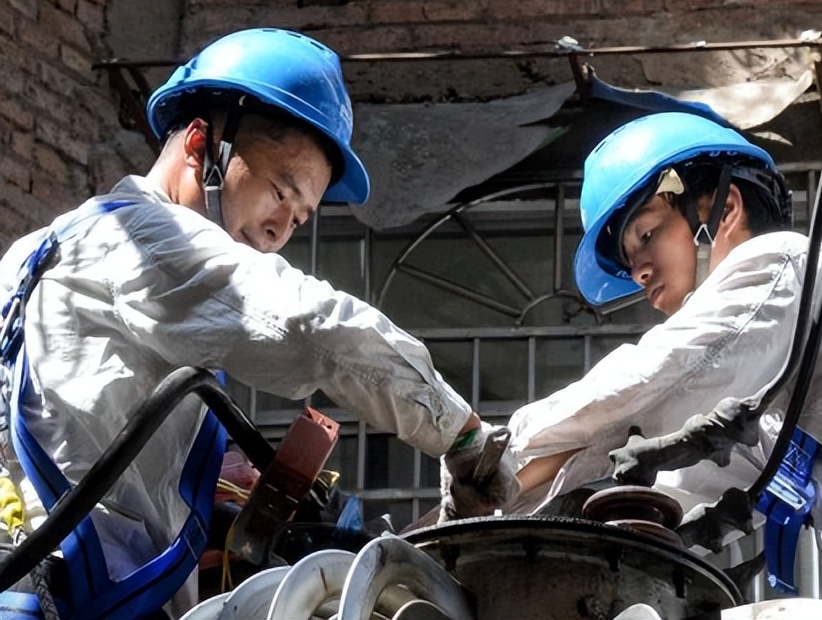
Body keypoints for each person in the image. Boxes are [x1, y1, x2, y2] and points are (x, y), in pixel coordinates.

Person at [0, 28, 517, 619]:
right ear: (201, 144)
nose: (278, 230)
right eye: (278, 191)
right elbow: (315, 328)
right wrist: (463, 435)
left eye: (298, 218)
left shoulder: (33, 252)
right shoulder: (143, 240)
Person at [506, 112, 822, 620]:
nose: (639, 272)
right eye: (630, 260)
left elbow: (656, 379)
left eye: (647, 234)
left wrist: (492, 458)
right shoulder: (770, 405)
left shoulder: (782, 262)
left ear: (724, 208)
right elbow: (661, 486)